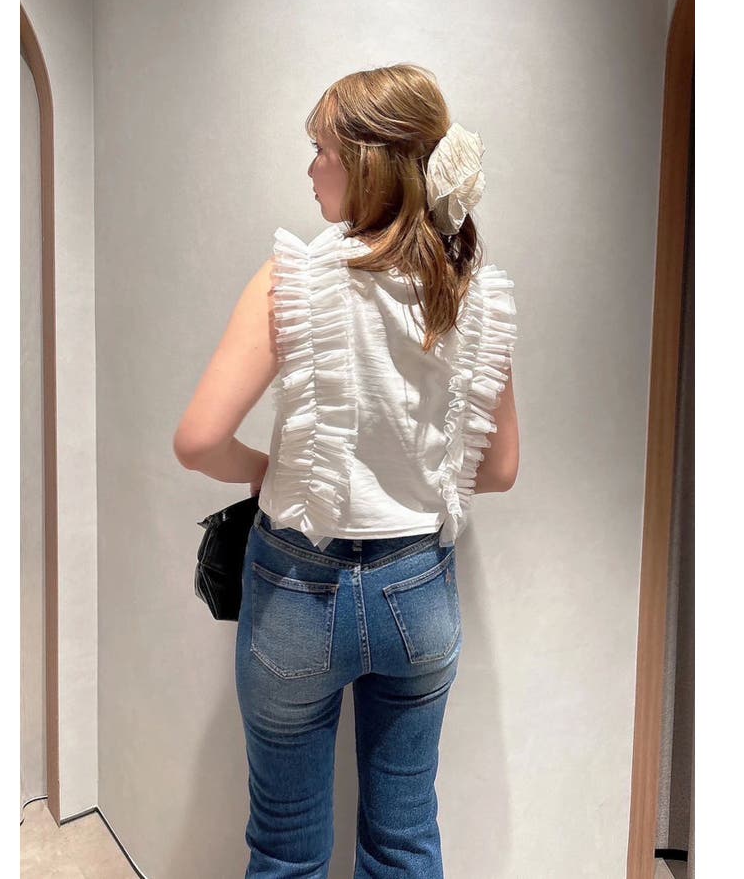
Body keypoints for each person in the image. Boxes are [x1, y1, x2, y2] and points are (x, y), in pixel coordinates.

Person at [174, 62, 519, 879]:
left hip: (299, 589)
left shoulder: (294, 279)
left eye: (320, 150)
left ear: (366, 162)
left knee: (286, 850)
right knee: (404, 840)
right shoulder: (471, 289)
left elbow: (198, 441)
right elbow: (501, 468)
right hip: (419, 591)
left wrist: (267, 469)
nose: (310, 168)